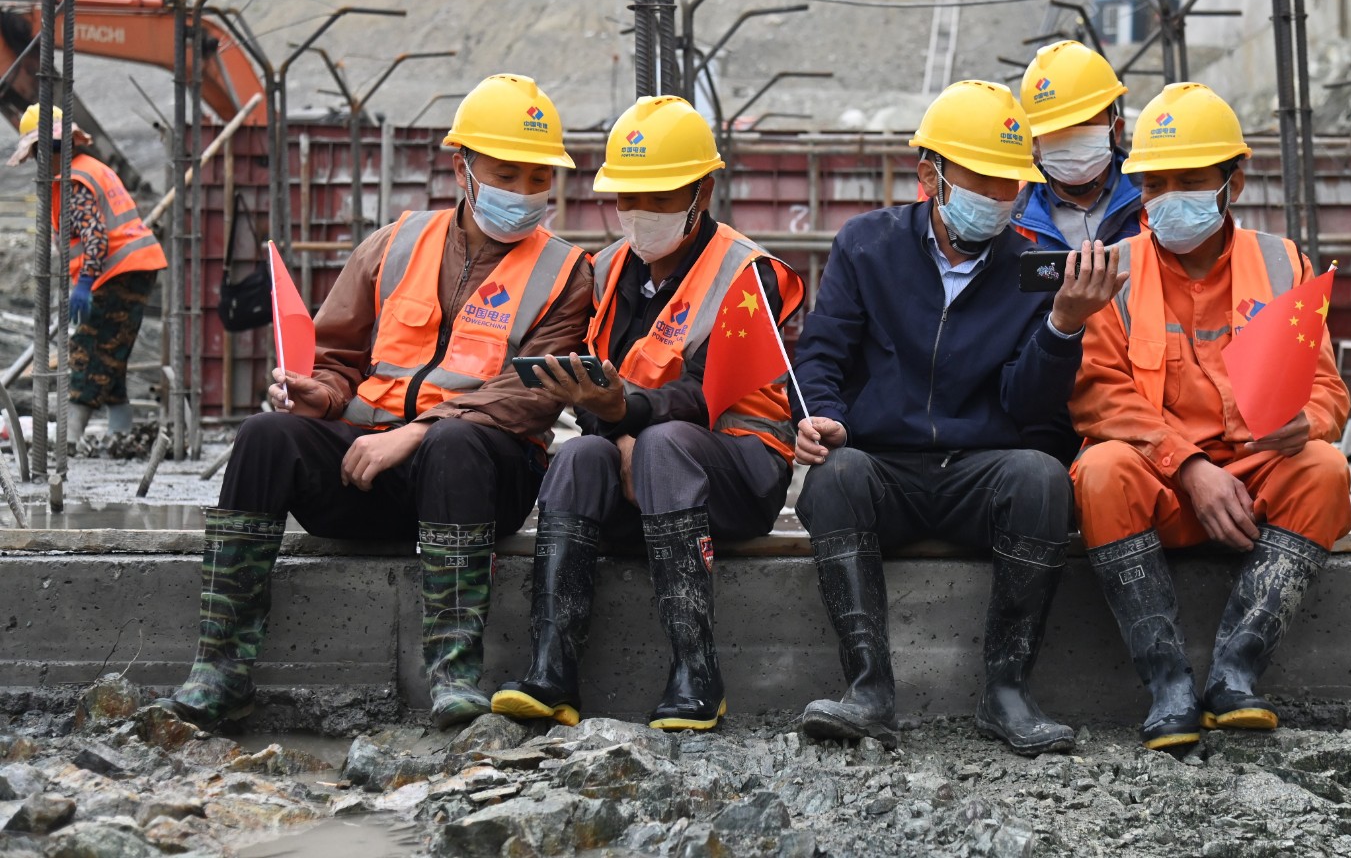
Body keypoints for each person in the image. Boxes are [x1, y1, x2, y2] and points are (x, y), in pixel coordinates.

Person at [152, 74, 593, 730]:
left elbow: (531, 393)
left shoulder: (567, 272)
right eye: (508, 174)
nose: (525, 192)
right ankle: (221, 669)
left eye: (539, 178)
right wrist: (321, 394)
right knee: (266, 436)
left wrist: (419, 431)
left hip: (479, 479)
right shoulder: (393, 245)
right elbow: (335, 356)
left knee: (454, 442)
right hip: (369, 469)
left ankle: (453, 675)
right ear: (463, 169)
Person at [790, 80, 1124, 756]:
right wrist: (822, 417)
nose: (998, 197)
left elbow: (1030, 409)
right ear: (929, 177)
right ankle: (868, 691)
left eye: (1009, 183)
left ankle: (1007, 693)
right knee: (835, 477)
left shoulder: (1030, 271)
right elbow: (821, 353)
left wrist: (1062, 326)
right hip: (884, 467)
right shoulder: (867, 246)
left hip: (978, 472)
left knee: (1041, 478)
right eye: (982, 180)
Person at [493, 95, 803, 733]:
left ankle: (697, 674)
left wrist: (627, 414)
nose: (641, 213)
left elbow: (703, 395)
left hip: (737, 472)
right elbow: (591, 386)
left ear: (702, 192)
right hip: (641, 471)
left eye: (660, 198)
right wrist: (610, 423)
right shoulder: (605, 269)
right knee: (579, 455)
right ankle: (551, 672)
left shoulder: (749, 274)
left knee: (663, 444)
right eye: (628, 198)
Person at [1069, 82, 1351, 752]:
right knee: (1101, 469)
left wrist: (1306, 422)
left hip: (1255, 483)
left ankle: (1235, 675)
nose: (1170, 197)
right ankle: (1168, 686)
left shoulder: (1282, 263)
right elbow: (1098, 395)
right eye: (1155, 183)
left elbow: (1328, 392)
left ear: (1235, 182)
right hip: (1163, 484)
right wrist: (1190, 466)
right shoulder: (1114, 271)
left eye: (1191, 180)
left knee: (1324, 467)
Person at [8, 104, 167, 443]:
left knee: (88, 349)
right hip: (129, 269)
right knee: (111, 351)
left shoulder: (74, 182)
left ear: (46, 150)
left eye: (37, 153)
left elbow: (95, 238)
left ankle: (69, 437)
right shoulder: (89, 168)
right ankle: (120, 434)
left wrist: (83, 284)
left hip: (118, 272)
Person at [1010, 40, 1143, 250]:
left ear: (1116, 130)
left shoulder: (1153, 199)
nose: (1070, 142)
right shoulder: (1009, 207)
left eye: (1084, 125)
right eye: (1056, 130)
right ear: (1035, 142)